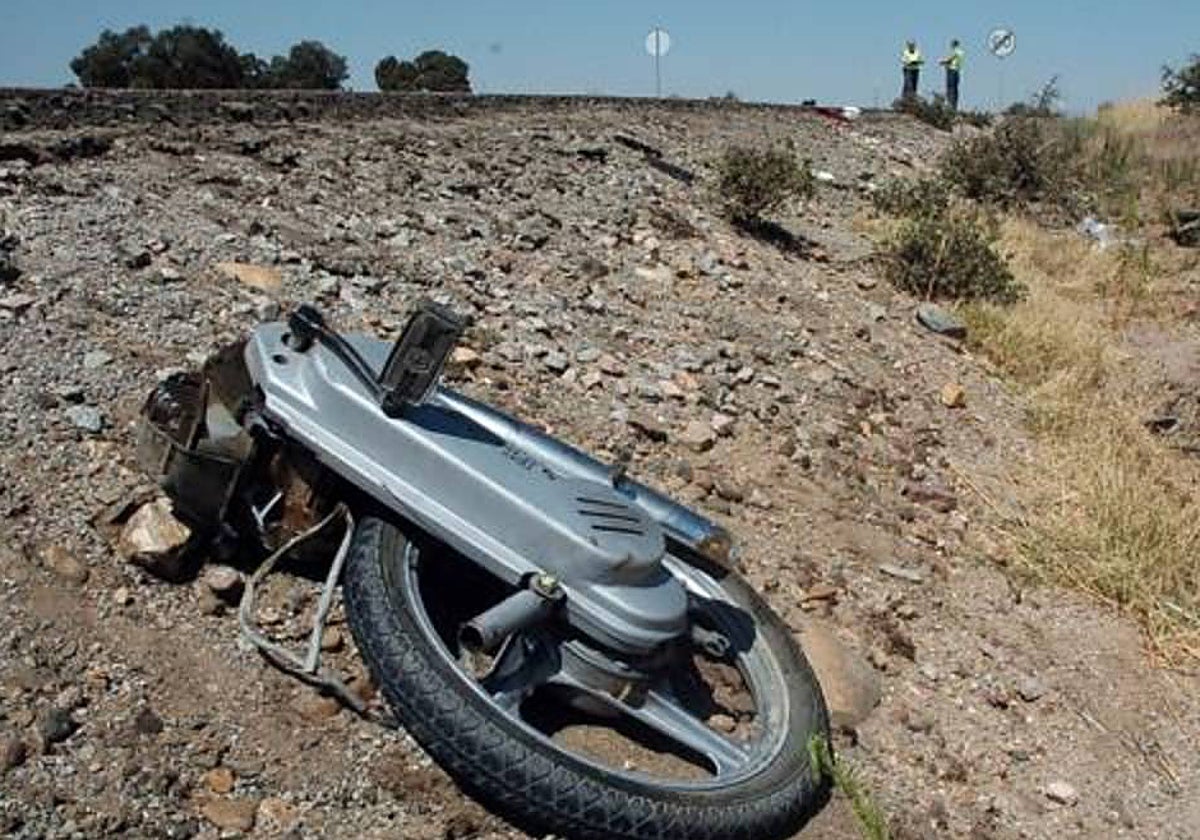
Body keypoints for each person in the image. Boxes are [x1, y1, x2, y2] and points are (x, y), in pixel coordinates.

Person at [939, 39, 966, 110]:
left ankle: (950, 106)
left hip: (951, 71)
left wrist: (942, 62)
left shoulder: (955, 52)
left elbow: (949, 60)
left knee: (950, 89)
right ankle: (954, 106)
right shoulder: (961, 52)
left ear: (954, 44)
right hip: (957, 71)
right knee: (955, 89)